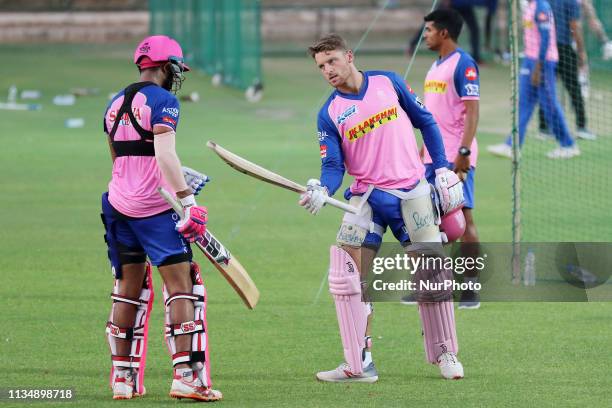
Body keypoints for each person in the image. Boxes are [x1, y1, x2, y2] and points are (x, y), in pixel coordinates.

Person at [301, 33, 466, 383]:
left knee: (433, 273)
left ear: (349, 56)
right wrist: (320, 188)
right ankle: (358, 363)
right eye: (320, 66)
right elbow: (332, 168)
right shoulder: (328, 114)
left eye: (331, 61)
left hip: (412, 190)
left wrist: (440, 167)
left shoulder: (387, 82)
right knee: (348, 277)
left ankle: (445, 352)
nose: (327, 70)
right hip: (367, 198)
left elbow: (426, 122)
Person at [101, 35, 222, 401]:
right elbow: (164, 156)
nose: (176, 75)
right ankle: (186, 375)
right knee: (183, 286)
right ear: (166, 66)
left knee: (128, 291)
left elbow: (122, 157)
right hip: (155, 209)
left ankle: (123, 378)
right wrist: (187, 200)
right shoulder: (164, 100)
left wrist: (168, 174)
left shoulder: (114, 102)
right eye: (176, 68)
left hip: (117, 204)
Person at [421, 9, 482, 309]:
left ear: (444, 33)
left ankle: (470, 288)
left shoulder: (464, 64)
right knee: (430, 221)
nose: (426, 35)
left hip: (456, 156)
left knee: (463, 219)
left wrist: (464, 152)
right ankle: (434, 284)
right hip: (432, 157)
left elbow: (472, 111)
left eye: (430, 29)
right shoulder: (434, 67)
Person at [487, 0, 580, 159]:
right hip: (530, 60)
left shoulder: (541, 7)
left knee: (549, 104)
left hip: (542, 62)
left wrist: (538, 67)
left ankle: (568, 144)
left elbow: (546, 38)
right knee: (524, 103)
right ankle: (512, 145)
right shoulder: (529, 6)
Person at [538, 0, 596, 140]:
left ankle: (544, 128)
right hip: (563, 49)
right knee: (574, 88)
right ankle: (581, 127)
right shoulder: (571, 2)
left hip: (547, 48)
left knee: (547, 88)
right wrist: (581, 51)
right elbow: (574, 26)